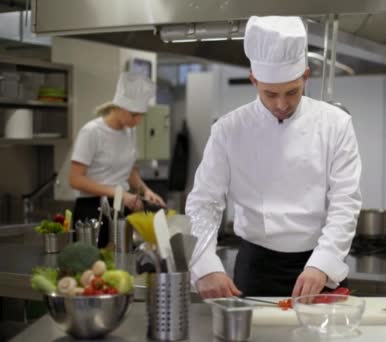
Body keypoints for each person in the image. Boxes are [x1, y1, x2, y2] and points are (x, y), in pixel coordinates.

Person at [186, 16, 362, 298]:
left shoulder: (335, 124)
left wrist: (323, 263)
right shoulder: (229, 130)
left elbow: (345, 201)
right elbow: (204, 202)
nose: (282, 104)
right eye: (270, 94)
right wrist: (204, 263)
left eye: (292, 92)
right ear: (254, 81)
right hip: (256, 267)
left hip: (319, 263)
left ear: (305, 76)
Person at [70, 71, 166, 247]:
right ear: (119, 107)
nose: (137, 121)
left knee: (122, 264)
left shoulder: (129, 132)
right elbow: (75, 180)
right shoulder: (92, 132)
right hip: (93, 211)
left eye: (141, 115)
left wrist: (145, 191)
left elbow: (128, 170)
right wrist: (117, 193)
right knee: (94, 268)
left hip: (121, 208)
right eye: (133, 115)